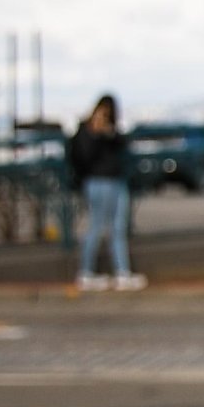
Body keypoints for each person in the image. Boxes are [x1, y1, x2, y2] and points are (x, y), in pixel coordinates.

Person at [68, 94, 144, 291]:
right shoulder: (86, 131)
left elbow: (123, 142)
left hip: (113, 180)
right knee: (97, 225)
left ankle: (121, 271)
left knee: (117, 227)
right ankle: (87, 272)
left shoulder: (110, 132)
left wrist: (108, 133)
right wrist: (96, 134)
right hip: (98, 181)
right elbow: (82, 156)